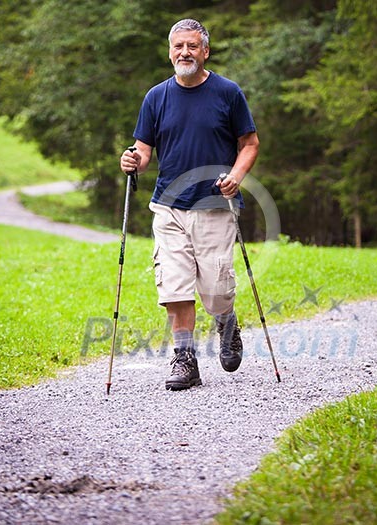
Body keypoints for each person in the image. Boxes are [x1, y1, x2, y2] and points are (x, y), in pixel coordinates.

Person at [120, 18, 259, 390]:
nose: (185, 52)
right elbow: (144, 152)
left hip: (215, 204)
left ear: (205, 51)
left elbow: (249, 144)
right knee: (175, 286)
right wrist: (132, 160)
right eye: (178, 46)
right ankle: (184, 359)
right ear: (170, 52)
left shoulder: (227, 93)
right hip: (168, 207)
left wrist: (236, 176)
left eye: (192, 46)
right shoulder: (156, 97)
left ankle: (226, 321)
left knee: (216, 290)